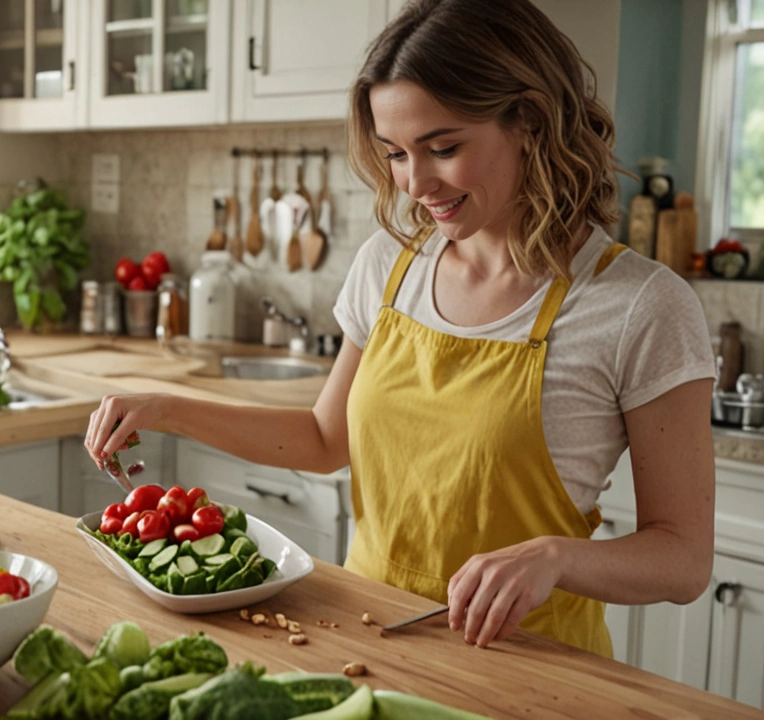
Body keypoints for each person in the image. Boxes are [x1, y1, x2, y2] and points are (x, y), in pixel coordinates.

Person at [83, 0, 715, 657]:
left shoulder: (640, 305)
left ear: (528, 119)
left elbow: (684, 556)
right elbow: (327, 439)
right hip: (368, 639)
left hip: (534, 663)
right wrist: (164, 409)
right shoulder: (390, 266)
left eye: (442, 148)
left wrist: (555, 558)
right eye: (395, 154)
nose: (416, 183)